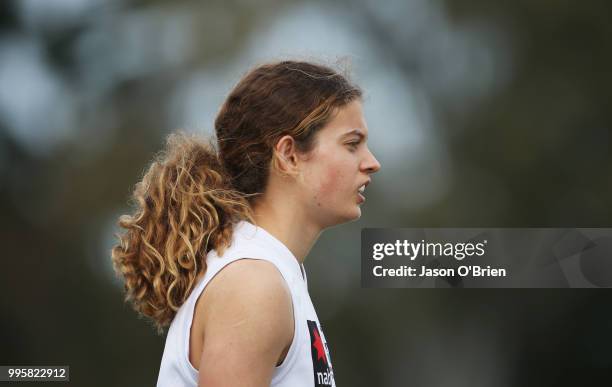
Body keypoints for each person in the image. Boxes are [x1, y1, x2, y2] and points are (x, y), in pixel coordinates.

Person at [111, 60, 381, 387]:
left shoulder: (271, 274)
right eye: (352, 144)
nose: (372, 163)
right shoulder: (254, 287)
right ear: (289, 155)